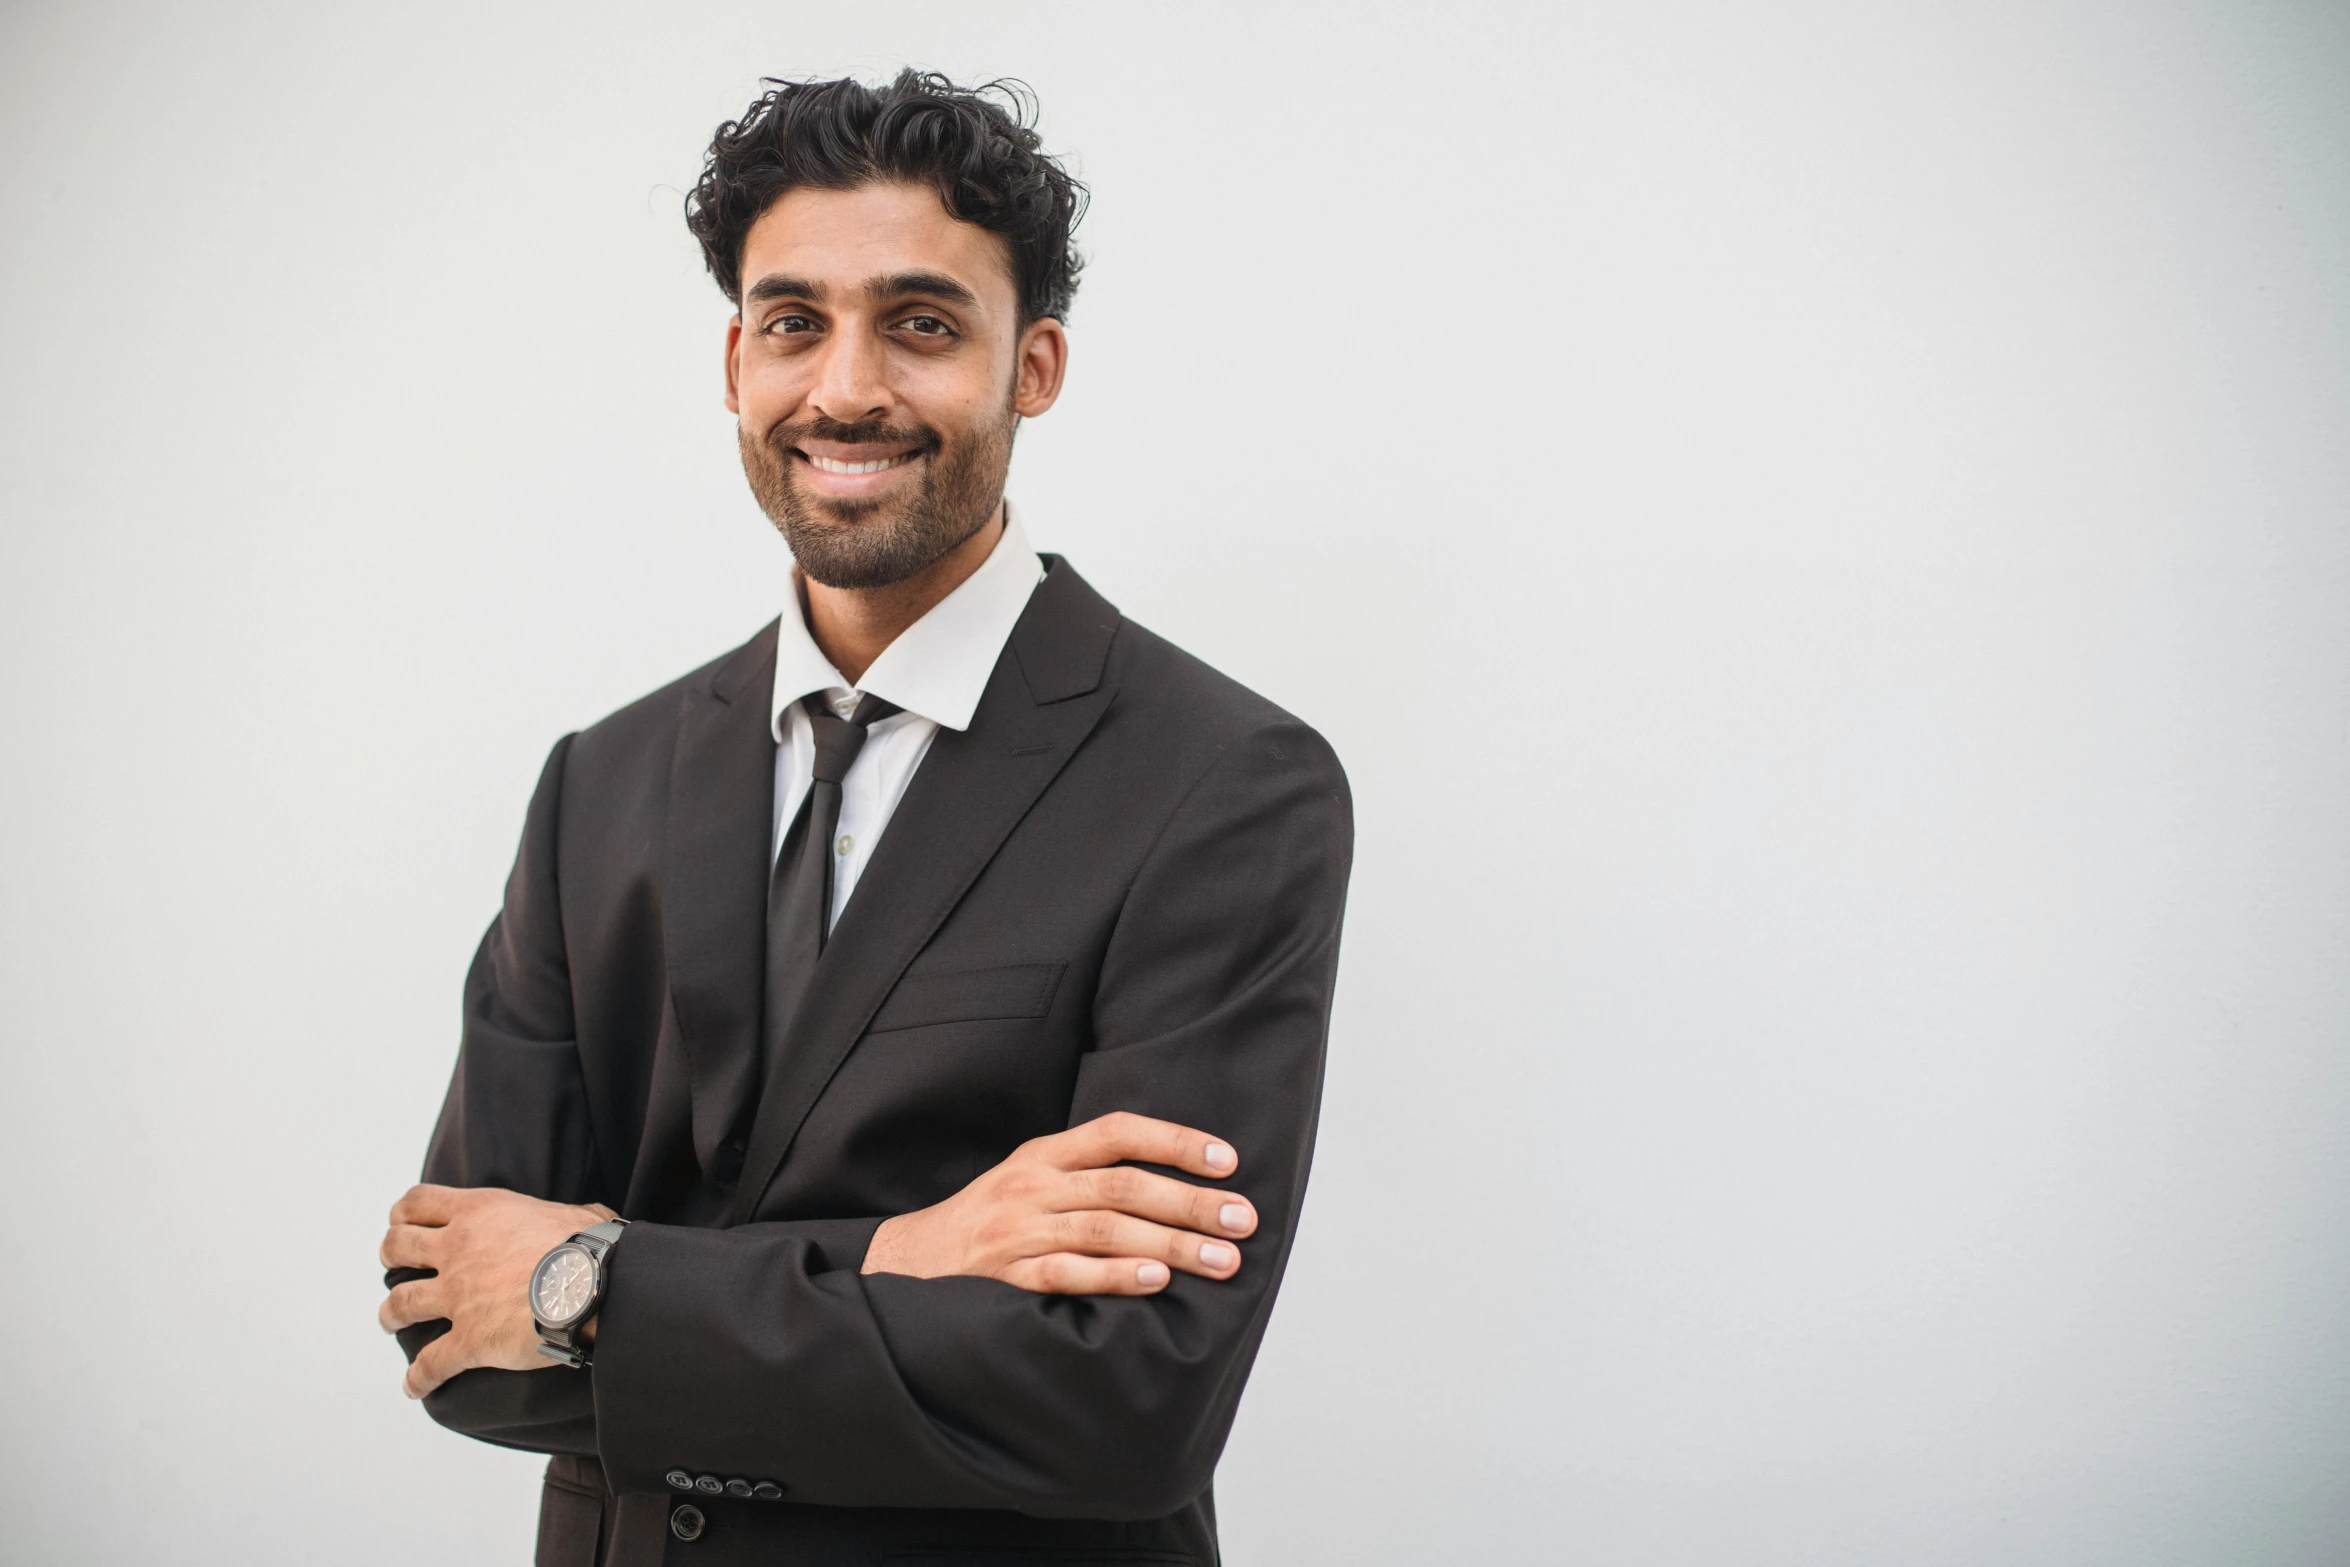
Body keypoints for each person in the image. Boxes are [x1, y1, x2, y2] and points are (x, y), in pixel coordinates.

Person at [376, 70, 1353, 1567]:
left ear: (1031, 366)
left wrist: (593, 1287)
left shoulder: (1224, 784)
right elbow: (460, 1328)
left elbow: (1121, 1401)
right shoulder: (600, 780)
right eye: (793, 321)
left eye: (919, 322)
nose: (844, 389)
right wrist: (912, 1254)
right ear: (733, 358)